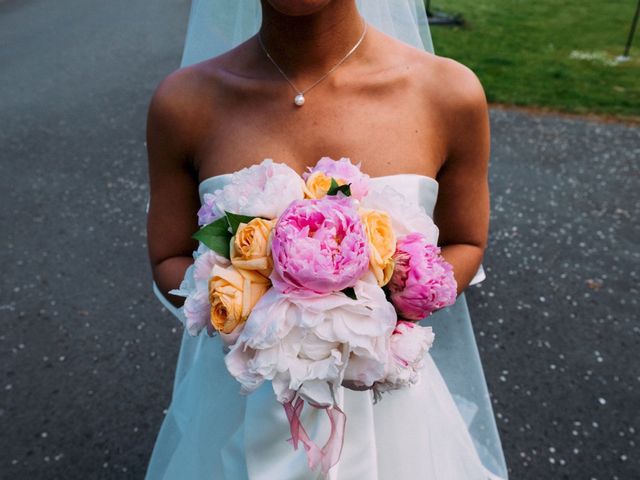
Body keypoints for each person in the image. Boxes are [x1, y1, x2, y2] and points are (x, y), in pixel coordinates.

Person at [145, 0, 508, 478]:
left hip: (389, 411)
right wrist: (269, 317)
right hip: (240, 400)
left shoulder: (448, 92)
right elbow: (168, 255)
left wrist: (373, 309)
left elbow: (465, 242)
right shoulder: (184, 102)